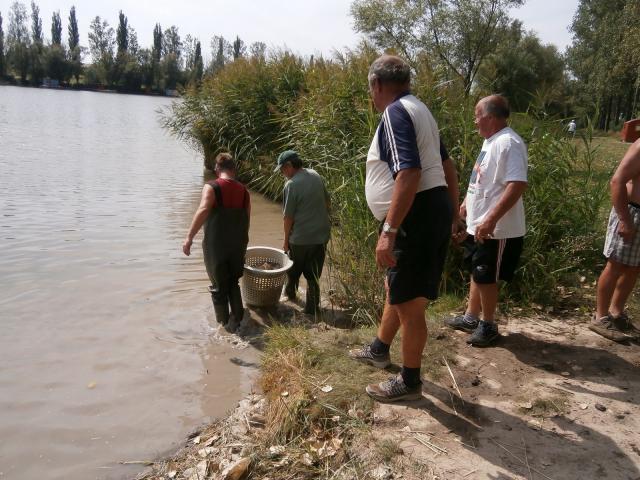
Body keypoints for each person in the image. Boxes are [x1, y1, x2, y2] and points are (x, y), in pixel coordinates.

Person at [349, 54, 453, 402]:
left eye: (371, 90)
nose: (371, 97)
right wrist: (452, 214)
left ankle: (409, 382)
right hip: (429, 210)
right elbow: (446, 165)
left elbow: (408, 173)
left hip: (415, 216)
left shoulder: (394, 113)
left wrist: (389, 230)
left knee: (409, 304)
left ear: (377, 85)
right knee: (399, 287)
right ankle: (380, 348)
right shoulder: (419, 109)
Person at [445, 95, 528, 347]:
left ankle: (489, 325)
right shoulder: (490, 142)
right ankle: (471, 318)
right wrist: (464, 209)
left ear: (490, 117)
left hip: (497, 229)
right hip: (479, 222)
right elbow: (482, 182)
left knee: (486, 275)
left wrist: (491, 218)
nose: (475, 121)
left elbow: (517, 184)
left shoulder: (509, 143)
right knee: (477, 270)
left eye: (477, 115)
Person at [183, 153, 250, 333]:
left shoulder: (211, 187)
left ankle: (224, 328)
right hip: (238, 244)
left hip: (216, 246)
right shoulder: (244, 191)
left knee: (219, 287)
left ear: (217, 169)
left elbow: (204, 209)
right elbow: (247, 220)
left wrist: (189, 237)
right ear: (234, 169)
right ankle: (239, 321)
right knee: (233, 282)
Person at [592, 139, 640, 342]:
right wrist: (624, 219)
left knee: (635, 267)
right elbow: (617, 180)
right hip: (631, 212)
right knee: (616, 264)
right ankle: (600, 317)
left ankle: (617, 312)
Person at [275, 150, 331, 315]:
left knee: (293, 272)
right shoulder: (315, 175)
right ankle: (312, 311)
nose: (282, 173)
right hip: (321, 237)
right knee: (313, 276)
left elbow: (288, 217)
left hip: (300, 239)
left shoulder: (291, 185)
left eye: (282, 169)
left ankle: (290, 298)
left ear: (290, 166)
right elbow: (327, 202)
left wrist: (286, 241)